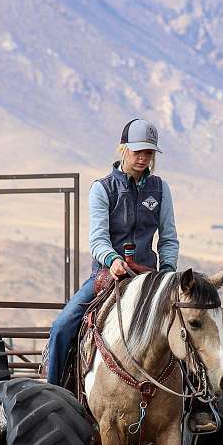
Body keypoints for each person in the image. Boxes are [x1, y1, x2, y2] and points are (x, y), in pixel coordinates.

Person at [47, 118, 179, 385]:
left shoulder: (161, 189)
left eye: (149, 152)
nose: (143, 158)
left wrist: (167, 272)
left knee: (185, 327)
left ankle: (197, 403)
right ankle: (53, 393)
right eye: (137, 151)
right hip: (108, 276)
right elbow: (97, 240)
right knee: (61, 327)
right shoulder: (102, 188)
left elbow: (169, 237)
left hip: (149, 277)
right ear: (123, 149)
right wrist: (113, 259)